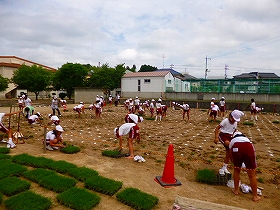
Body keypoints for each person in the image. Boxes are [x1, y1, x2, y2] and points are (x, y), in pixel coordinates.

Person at [229, 131, 261, 202]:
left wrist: (233, 161)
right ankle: (255, 196)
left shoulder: (233, 140)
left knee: (237, 170)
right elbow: (253, 151)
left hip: (236, 148)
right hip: (248, 148)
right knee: (252, 175)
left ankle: (236, 190)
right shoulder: (247, 140)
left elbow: (230, 152)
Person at [214, 110, 244, 174]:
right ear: (230, 116)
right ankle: (238, 161)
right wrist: (216, 137)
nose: (234, 121)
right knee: (231, 146)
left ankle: (224, 167)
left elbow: (234, 131)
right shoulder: (225, 121)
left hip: (230, 137)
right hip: (223, 136)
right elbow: (217, 128)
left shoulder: (235, 123)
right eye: (234, 119)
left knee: (228, 152)